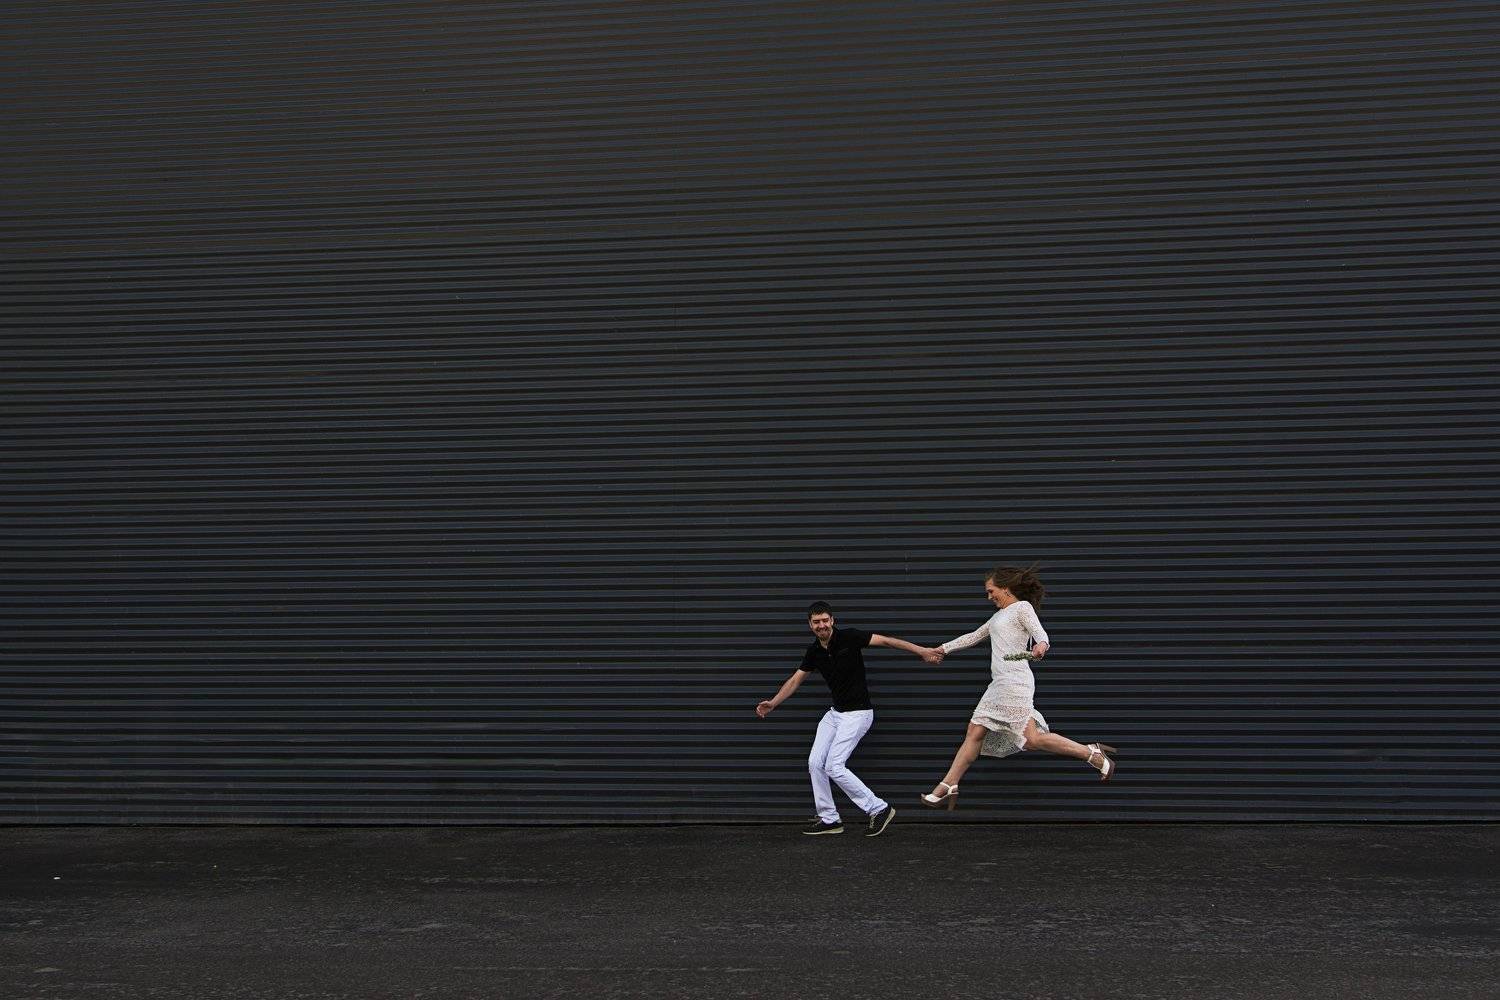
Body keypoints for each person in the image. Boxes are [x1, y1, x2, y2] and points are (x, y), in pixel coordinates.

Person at [920, 566, 1116, 810]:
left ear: (1006, 587)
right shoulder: (997, 617)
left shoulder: (1022, 608)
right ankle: (950, 784)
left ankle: (1091, 754)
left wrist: (1041, 646)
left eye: (991, 591)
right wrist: (941, 650)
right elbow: (972, 636)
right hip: (999, 684)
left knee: (1025, 738)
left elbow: (1040, 633)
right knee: (983, 733)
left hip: (1015, 682)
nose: (989, 596)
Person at [757, 601, 943, 836]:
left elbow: (886, 641)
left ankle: (879, 808)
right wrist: (773, 703)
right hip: (835, 714)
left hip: (858, 713)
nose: (821, 625)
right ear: (810, 625)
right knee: (815, 763)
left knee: (834, 765)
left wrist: (922, 651)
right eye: (816, 622)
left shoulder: (850, 637)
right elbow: (795, 680)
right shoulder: (814, 651)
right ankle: (830, 819)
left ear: (832, 620)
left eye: (825, 620)